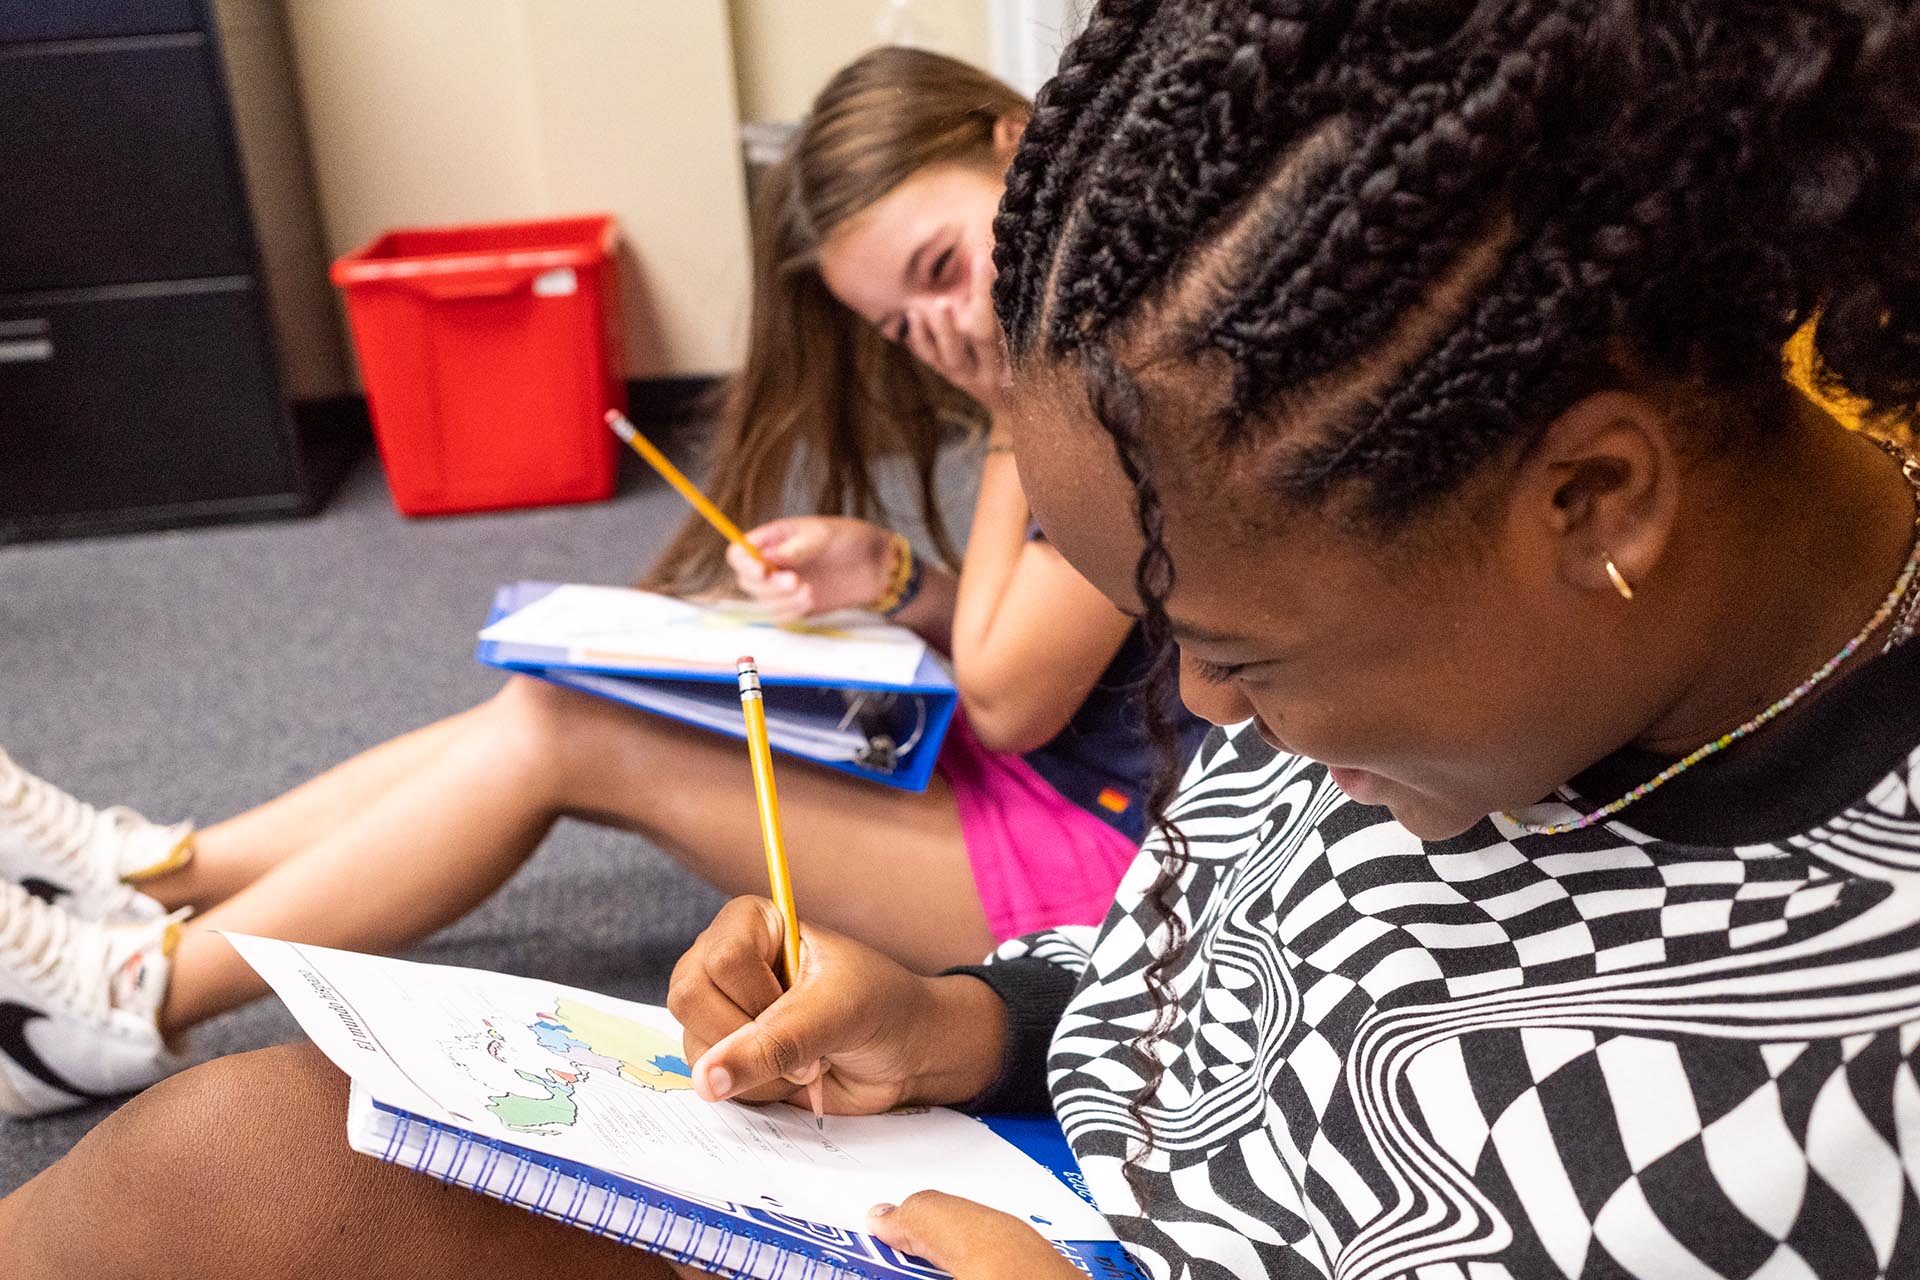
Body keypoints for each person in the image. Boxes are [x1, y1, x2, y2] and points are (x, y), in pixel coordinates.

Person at [9, 2, 1920, 1277]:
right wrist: (967, 1016)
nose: (1200, 710)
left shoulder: (1835, 1077)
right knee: (249, 1161)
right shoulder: (1421, 615)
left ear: (1598, 506)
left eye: (1250, 655)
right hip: (1033, 1181)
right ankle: (156, 925)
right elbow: (1219, 950)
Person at [0, 47, 1203, 1121]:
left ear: (1019, 142)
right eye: (900, 327)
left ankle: (128, 1004)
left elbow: (1008, 697)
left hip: (1109, 868)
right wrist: (892, 577)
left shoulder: (1125, 372)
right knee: (571, 687)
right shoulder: (1061, 351)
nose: (944, 330)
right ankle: (152, 874)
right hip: (1037, 786)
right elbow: (1049, 630)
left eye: (941, 268)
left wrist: (1005, 409)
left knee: (573, 729)